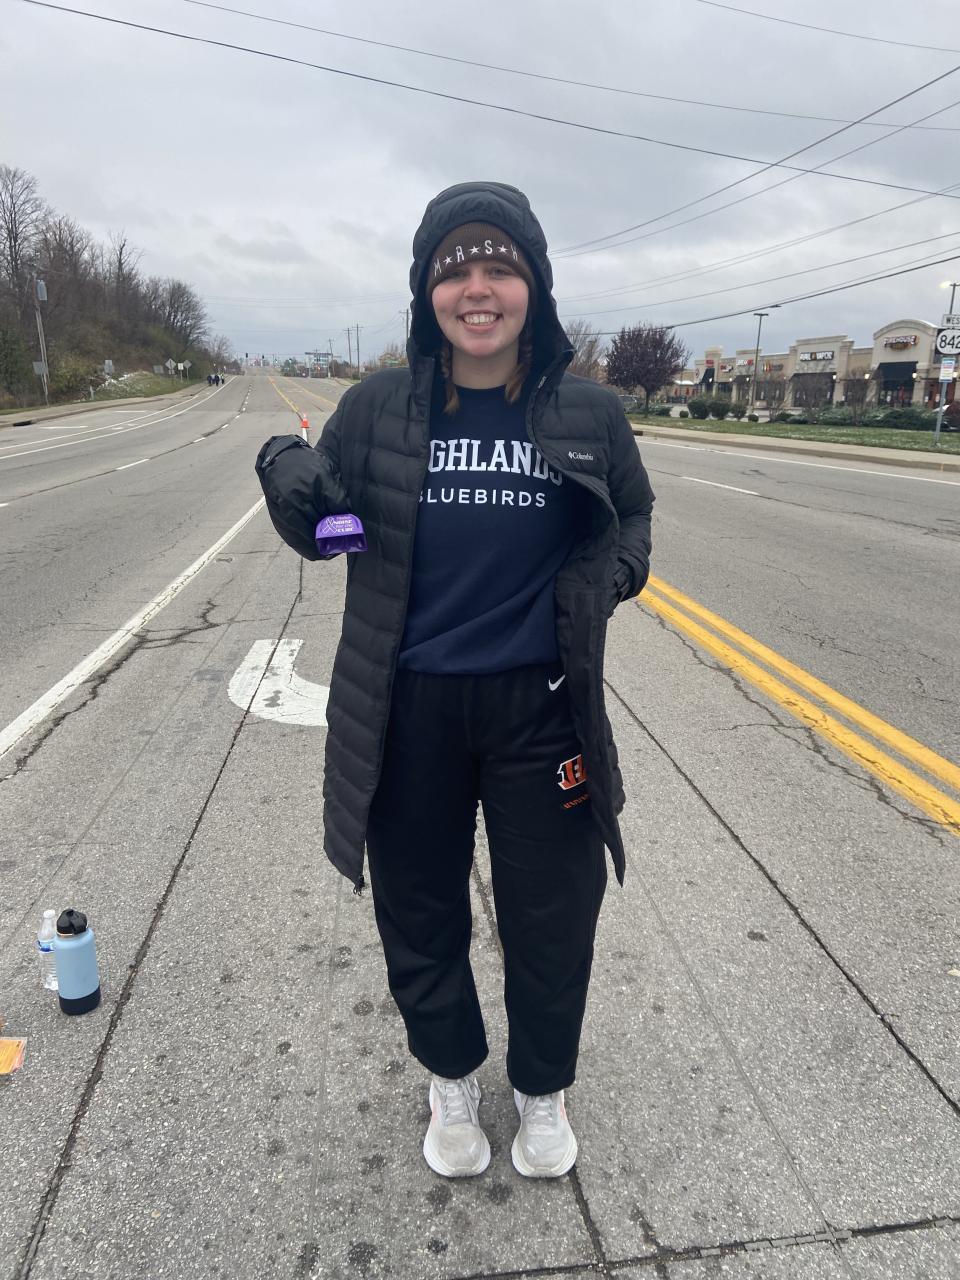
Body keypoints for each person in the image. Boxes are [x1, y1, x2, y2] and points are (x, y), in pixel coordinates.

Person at [255, 181, 654, 1180]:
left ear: (535, 286)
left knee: (552, 913)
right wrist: (283, 469)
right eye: (455, 269)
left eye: (500, 266)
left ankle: (542, 1088)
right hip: (409, 709)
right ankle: (450, 1078)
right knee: (420, 910)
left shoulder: (589, 409)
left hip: (541, 708)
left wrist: (613, 577)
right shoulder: (375, 408)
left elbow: (634, 513)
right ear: (427, 291)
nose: (478, 288)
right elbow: (316, 512)